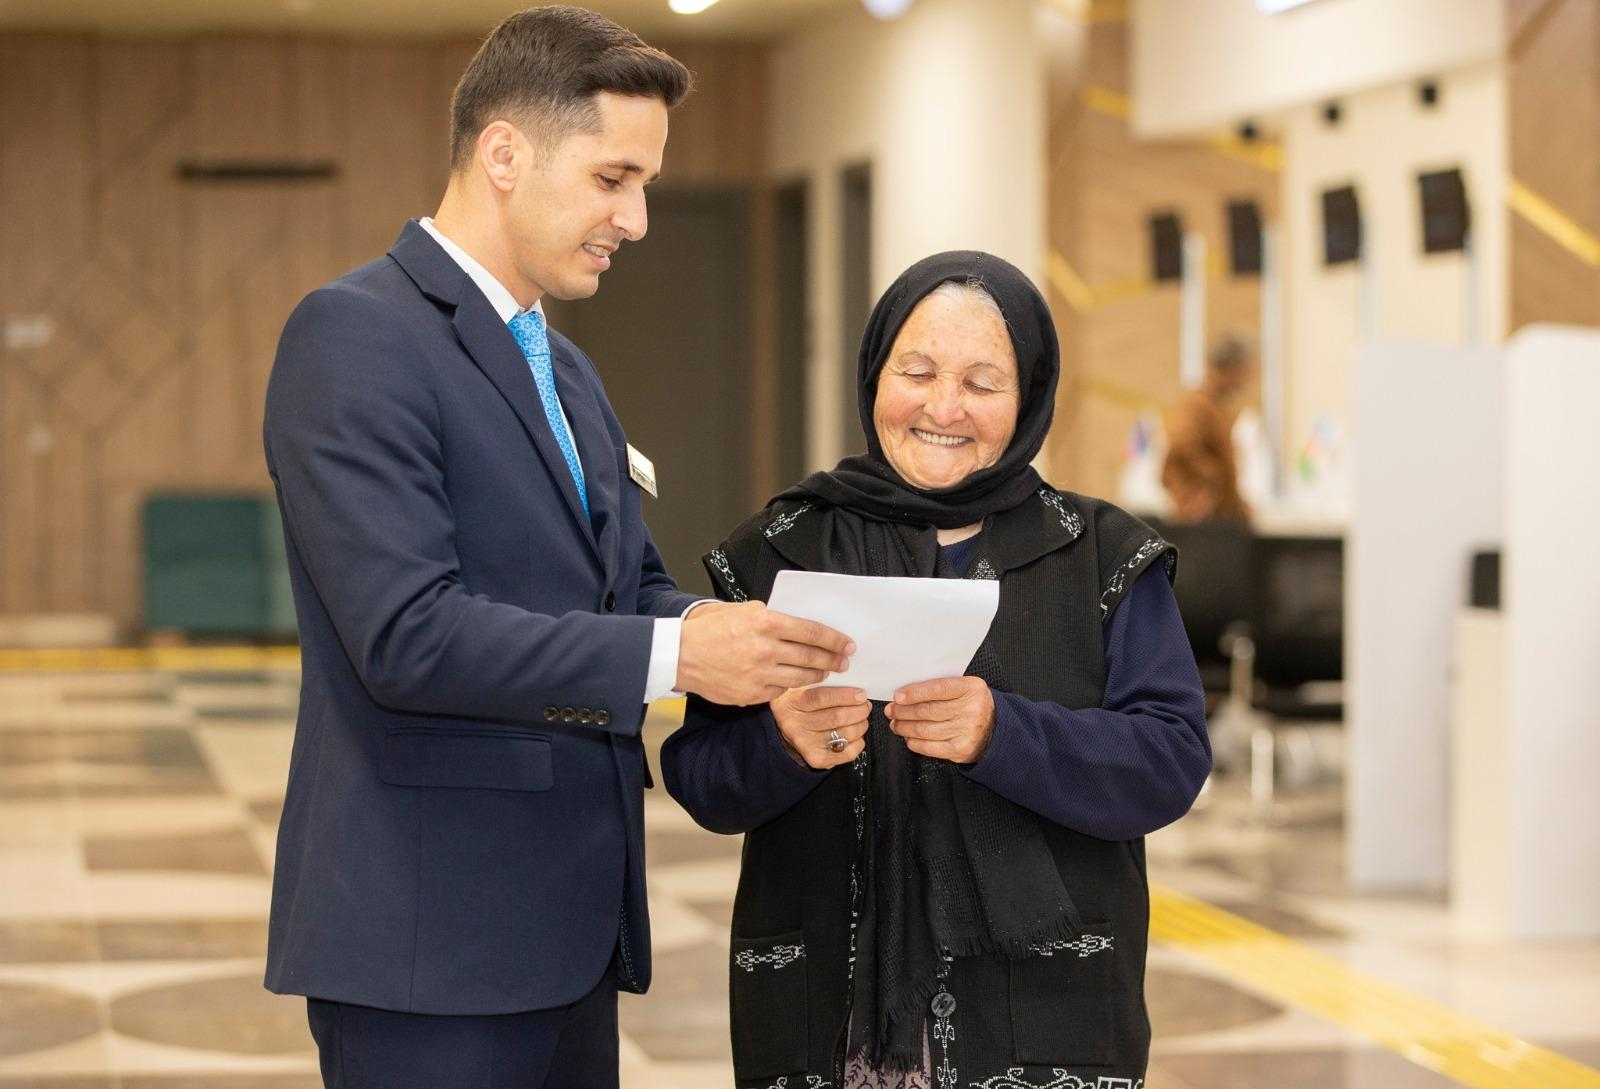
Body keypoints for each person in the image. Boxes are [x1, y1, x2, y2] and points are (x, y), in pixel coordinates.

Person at [261, 8, 852, 1087]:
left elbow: (622, 588)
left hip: (569, 934)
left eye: (646, 185)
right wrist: (679, 656)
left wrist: (736, 634)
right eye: (612, 179)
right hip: (428, 946)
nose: (636, 219)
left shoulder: (564, 366)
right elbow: (407, 637)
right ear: (504, 154)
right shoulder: (356, 335)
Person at [661, 252, 1211, 1089]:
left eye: (982, 383)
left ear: (1030, 396)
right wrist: (781, 744)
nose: (943, 407)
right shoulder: (780, 552)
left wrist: (1003, 732)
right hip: (825, 1025)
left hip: (1043, 1024)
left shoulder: (1101, 558)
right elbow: (701, 776)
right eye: (916, 373)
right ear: (873, 375)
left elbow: (1170, 759)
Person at [1161, 335, 1255, 523]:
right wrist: (1210, 483)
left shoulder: (1216, 407)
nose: (1247, 379)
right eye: (1246, 370)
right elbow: (1180, 443)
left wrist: (1235, 500)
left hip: (1219, 517)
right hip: (1200, 518)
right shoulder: (1197, 405)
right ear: (1233, 368)